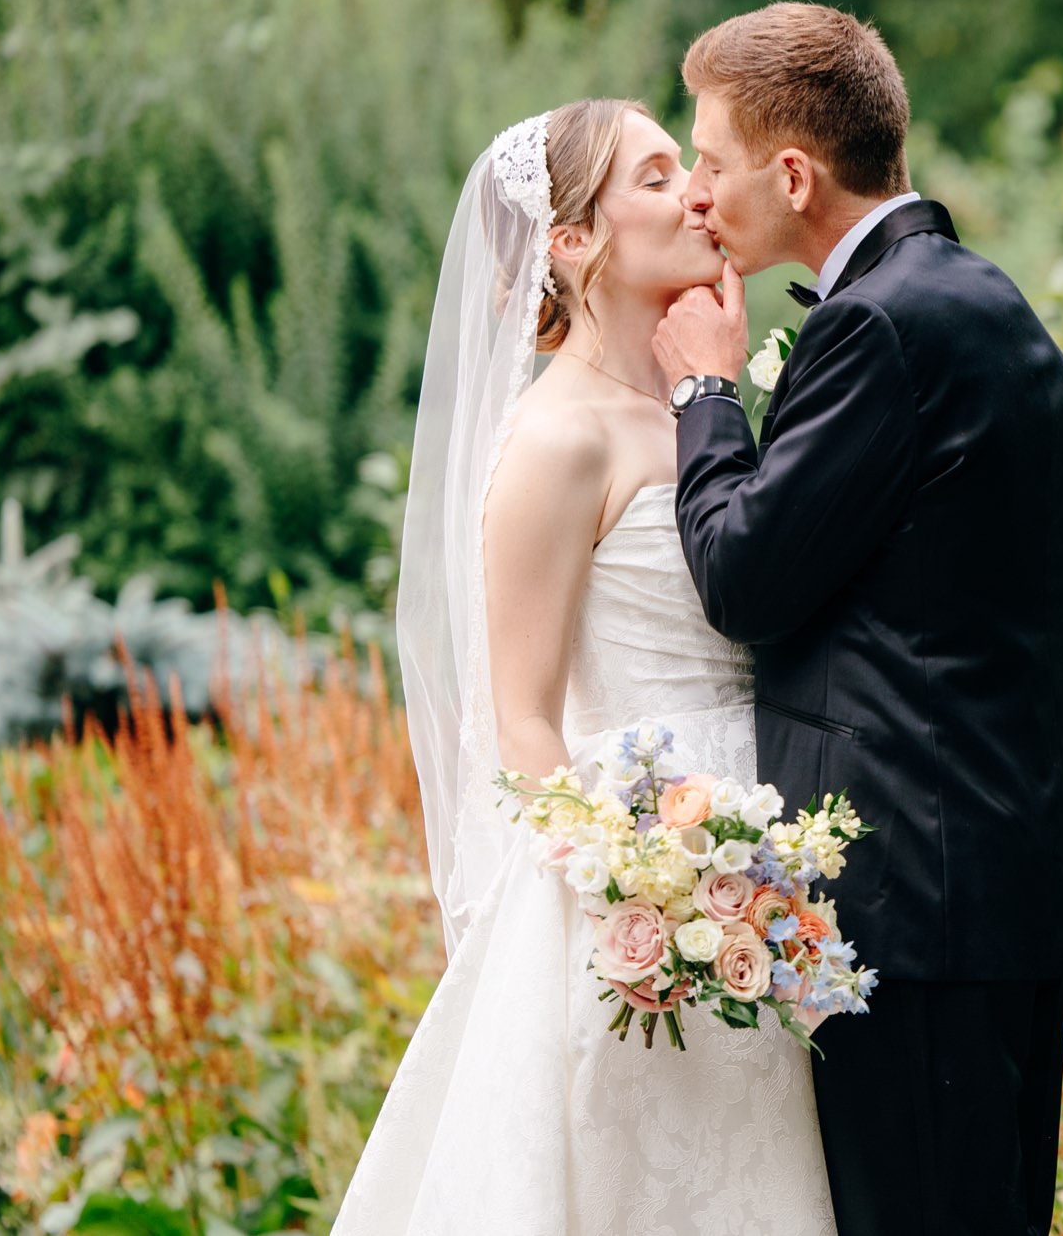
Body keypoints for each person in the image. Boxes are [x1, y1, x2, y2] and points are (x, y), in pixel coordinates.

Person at [333, 99, 837, 1235]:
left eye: (687, 167)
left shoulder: (701, 401)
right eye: (656, 177)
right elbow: (515, 713)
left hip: (759, 852)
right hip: (641, 879)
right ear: (570, 242)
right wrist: (639, 887)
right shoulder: (557, 437)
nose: (697, 193)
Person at [652, 2, 1063, 1236]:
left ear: (791, 173)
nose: (696, 192)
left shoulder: (877, 327)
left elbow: (740, 576)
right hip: (990, 886)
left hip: (911, 902)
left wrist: (702, 390)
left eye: (709, 158)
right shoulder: (980, 302)